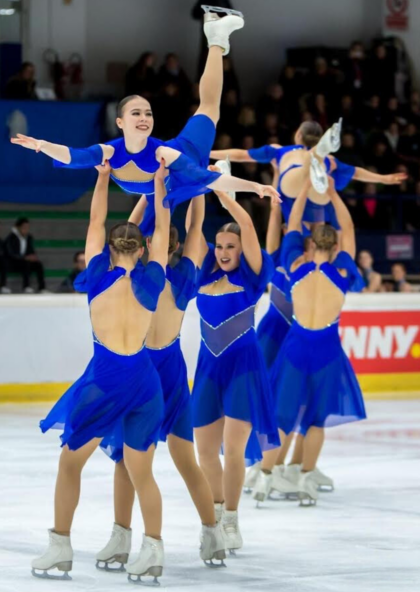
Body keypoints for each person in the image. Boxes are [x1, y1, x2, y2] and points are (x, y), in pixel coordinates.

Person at [11, 8, 278, 236]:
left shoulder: (163, 153)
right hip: (163, 191)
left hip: (186, 155)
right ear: (120, 122)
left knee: (209, 108)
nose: (144, 118)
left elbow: (202, 176)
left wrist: (254, 186)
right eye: (136, 113)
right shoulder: (110, 151)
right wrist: (41, 144)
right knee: (143, 232)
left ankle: (216, 39)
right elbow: (74, 157)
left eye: (148, 113)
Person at [31, 160, 170, 584]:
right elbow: (162, 228)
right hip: (145, 381)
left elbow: (96, 219)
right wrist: (159, 184)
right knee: (141, 471)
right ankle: (153, 551)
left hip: (105, 382)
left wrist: (104, 176)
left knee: (69, 465)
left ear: (109, 250)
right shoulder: (153, 278)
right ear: (142, 250)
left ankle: (60, 547)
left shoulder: (95, 276)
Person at [96, 196, 226, 570]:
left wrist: (147, 194)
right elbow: (196, 227)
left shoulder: (138, 276)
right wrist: (197, 187)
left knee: (130, 460)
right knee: (159, 460)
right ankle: (211, 533)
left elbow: (128, 226)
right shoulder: (182, 274)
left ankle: (126, 538)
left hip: (145, 373)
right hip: (164, 369)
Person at [268, 163, 366, 506]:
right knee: (315, 417)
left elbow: (293, 224)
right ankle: (306, 477)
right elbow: (350, 226)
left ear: (311, 245)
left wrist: (306, 189)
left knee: (284, 413)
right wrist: (333, 192)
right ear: (336, 245)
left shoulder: (296, 266)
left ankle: (269, 475)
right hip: (326, 349)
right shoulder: (342, 270)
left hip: (296, 345)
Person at [191, 178, 279, 553]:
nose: (224, 251)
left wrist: (226, 198)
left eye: (231, 246)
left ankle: (231, 520)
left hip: (244, 368)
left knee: (234, 448)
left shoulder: (252, 276)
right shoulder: (204, 275)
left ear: (243, 249)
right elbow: (192, 229)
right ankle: (213, 518)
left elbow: (247, 227)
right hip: (208, 369)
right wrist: (194, 185)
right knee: (205, 452)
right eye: (221, 246)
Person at [210, 120, 407, 232]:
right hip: (318, 195)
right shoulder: (332, 160)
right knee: (317, 233)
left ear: (298, 135)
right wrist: (383, 178)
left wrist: (208, 153)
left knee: (303, 174)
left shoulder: (281, 151)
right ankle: (317, 156)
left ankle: (314, 159)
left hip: (291, 183)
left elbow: (241, 155)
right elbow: (357, 172)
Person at [4, 218, 47, 293]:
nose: (26, 230)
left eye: (27, 228)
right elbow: (11, 253)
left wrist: (33, 256)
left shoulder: (29, 238)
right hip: (12, 262)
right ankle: (26, 286)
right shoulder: (11, 238)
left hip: (24, 261)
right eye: (24, 227)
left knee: (38, 265)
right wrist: (24, 258)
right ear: (18, 227)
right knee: (25, 263)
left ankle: (42, 288)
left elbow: (31, 250)